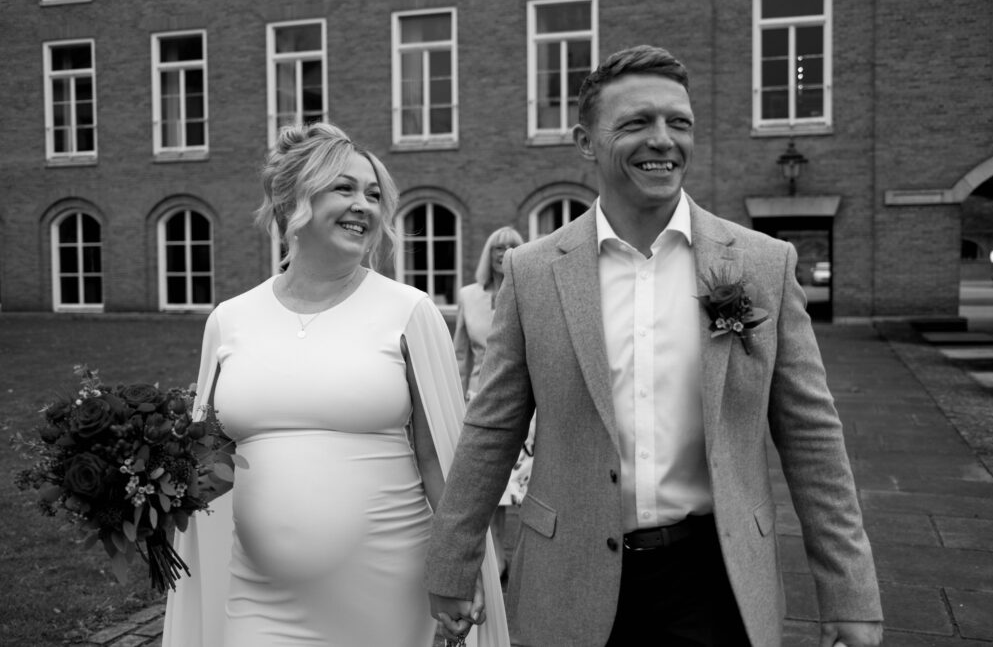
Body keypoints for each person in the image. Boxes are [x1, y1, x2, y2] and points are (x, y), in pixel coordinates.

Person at [425, 46, 884, 647]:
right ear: (586, 141)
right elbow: (491, 427)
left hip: (714, 580)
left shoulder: (762, 264)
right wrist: (453, 563)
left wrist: (850, 594)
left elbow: (813, 437)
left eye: (679, 123)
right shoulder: (534, 273)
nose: (663, 140)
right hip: (567, 577)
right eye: (637, 123)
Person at [161, 121, 509, 647]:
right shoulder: (230, 320)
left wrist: (459, 566)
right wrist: (137, 487)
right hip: (259, 595)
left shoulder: (409, 312)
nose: (364, 206)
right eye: (343, 189)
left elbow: (440, 458)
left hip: (389, 593)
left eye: (373, 195)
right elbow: (212, 464)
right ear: (290, 202)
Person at [453, 226, 533, 579]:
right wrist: (455, 398)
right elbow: (460, 355)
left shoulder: (532, 290)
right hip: (479, 400)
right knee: (488, 486)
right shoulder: (469, 296)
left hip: (525, 405)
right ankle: (498, 559)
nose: (503, 254)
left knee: (523, 489)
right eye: (497, 248)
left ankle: (524, 558)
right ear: (489, 254)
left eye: (512, 247)